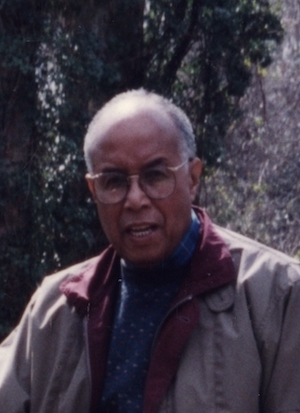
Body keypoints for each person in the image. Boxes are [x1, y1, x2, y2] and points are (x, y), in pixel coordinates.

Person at [1, 89, 300, 413]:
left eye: (155, 176)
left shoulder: (277, 295)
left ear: (193, 177)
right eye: (113, 182)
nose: (135, 199)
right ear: (93, 190)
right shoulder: (55, 309)